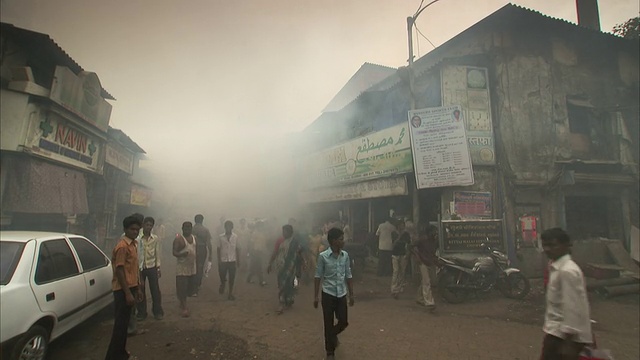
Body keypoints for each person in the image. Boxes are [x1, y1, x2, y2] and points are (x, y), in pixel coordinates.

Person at [540, 228, 592, 360]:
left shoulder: (567, 271)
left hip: (563, 336)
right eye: (545, 245)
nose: (547, 249)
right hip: (556, 332)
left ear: (565, 245)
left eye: (552, 245)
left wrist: (568, 343)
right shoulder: (556, 267)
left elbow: (572, 307)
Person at [105, 215, 144, 360]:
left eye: (137, 229)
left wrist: (138, 288)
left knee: (125, 324)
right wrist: (128, 293)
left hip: (131, 287)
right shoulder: (122, 247)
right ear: (125, 229)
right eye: (132, 229)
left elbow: (133, 269)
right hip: (122, 290)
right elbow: (120, 270)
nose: (135, 232)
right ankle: (113, 356)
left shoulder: (133, 245)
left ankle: (121, 353)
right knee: (120, 327)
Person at [314, 228, 355, 360]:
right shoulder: (323, 257)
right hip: (328, 293)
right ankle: (330, 352)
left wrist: (351, 294)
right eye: (341, 239)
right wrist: (315, 296)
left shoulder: (345, 256)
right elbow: (318, 276)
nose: (343, 241)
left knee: (343, 322)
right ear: (333, 241)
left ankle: (332, 336)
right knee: (328, 322)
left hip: (341, 293)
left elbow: (348, 275)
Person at [267, 224, 304, 314]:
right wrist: (270, 263)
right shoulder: (280, 241)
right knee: (281, 284)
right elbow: (275, 252)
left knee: (290, 284)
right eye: (283, 231)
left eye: (286, 231)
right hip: (281, 266)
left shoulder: (295, 242)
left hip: (291, 267)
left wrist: (303, 263)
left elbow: (299, 253)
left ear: (290, 232)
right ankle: (281, 302)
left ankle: (288, 299)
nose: (284, 233)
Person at [136, 216, 164, 321]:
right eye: (147, 225)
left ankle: (157, 311)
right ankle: (141, 313)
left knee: (155, 290)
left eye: (150, 225)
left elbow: (157, 253)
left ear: (152, 227)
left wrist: (158, 267)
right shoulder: (138, 238)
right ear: (143, 225)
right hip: (140, 268)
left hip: (151, 266)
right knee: (140, 290)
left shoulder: (155, 238)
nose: (148, 227)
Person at [411, 225, 438, 312]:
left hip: (431, 262)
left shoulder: (434, 241)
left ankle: (419, 297)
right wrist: (417, 257)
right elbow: (411, 247)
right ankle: (429, 303)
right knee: (427, 282)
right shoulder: (422, 240)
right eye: (434, 231)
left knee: (429, 281)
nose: (436, 233)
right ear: (429, 232)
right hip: (423, 262)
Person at [173, 221, 197, 317]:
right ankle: (184, 307)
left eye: (189, 228)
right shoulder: (178, 239)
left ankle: (182, 302)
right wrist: (182, 254)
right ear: (182, 229)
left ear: (191, 229)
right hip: (182, 268)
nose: (187, 229)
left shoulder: (194, 238)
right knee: (182, 287)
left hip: (192, 267)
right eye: (185, 228)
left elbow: (196, 250)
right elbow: (174, 252)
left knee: (190, 288)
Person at [191, 214, 213, 297]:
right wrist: (210, 254)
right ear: (202, 220)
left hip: (192, 249)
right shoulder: (205, 230)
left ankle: (192, 286)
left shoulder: (191, 229)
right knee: (199, 268)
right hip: (202, 249)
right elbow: (209, 243)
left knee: (192, 267)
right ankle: (197, 285)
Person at [218, 220, 240, 300]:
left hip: (232, 260)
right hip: (223, 260)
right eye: (227, 227)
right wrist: (219, 260)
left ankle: (230, 293)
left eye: (229, 227)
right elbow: (218, 249)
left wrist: (238, 260)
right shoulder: (221, 237)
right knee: (222, 275)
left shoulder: (235, 237)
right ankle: (222, 283)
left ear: (232, 228)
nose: (228, 228)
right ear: (224, 227)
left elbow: (237, 249)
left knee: (232, 278)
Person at [390, 220, 411, 299]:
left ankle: (399, 287)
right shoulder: (394, 233)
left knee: (402, 271)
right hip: (395, 254)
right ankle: (394, 289)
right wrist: (399, 236)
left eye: (403, 225)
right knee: (395, 271)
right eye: (401, 225)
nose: (402, 227)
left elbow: (409, 244)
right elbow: (393, 244)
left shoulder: (406, 234)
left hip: (403, 254)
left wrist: (408, 253)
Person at [246, 221, 268, 286]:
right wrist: (250, 252)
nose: (262, 227)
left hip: (260, 251)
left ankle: (249, 278)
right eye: (260, 226)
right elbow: (251, 243)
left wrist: (264, 251)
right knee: (259, 266)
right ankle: (261, 281)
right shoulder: (255, 233)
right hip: (255, 251)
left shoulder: (263, 233)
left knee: (254, 267)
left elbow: (263, 243)